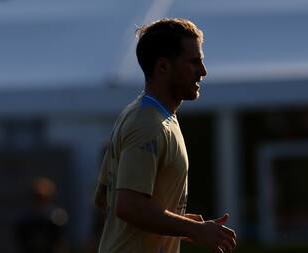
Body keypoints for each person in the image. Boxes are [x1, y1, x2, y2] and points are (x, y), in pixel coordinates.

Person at [94, 18, 237, 253]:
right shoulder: (147, 124)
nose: (203, 72)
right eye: (194, 62)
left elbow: (104, 197)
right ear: (162, 67)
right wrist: (194, 230)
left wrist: (177, 221)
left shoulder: (146, 115)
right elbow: (129, 206)